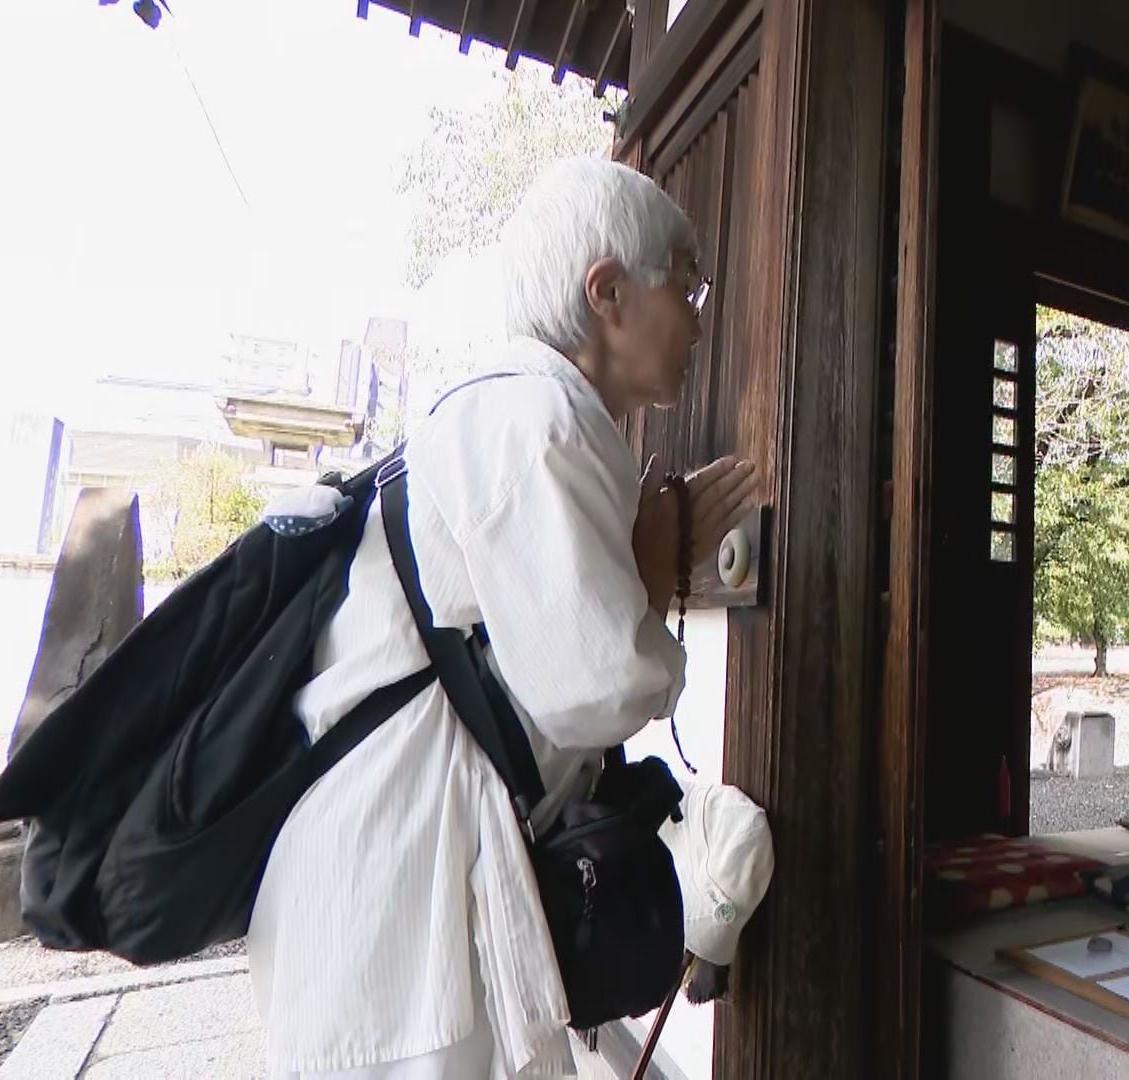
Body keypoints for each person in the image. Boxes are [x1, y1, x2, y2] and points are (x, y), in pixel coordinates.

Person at [248, 158, 759, 1079]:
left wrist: (646, 566)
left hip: (394, 882)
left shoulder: (506, 408)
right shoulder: (540, 417)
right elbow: (598, 687)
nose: (696, 316)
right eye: (685, 285)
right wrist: (650, 568)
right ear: (606, 290)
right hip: (401, 897)